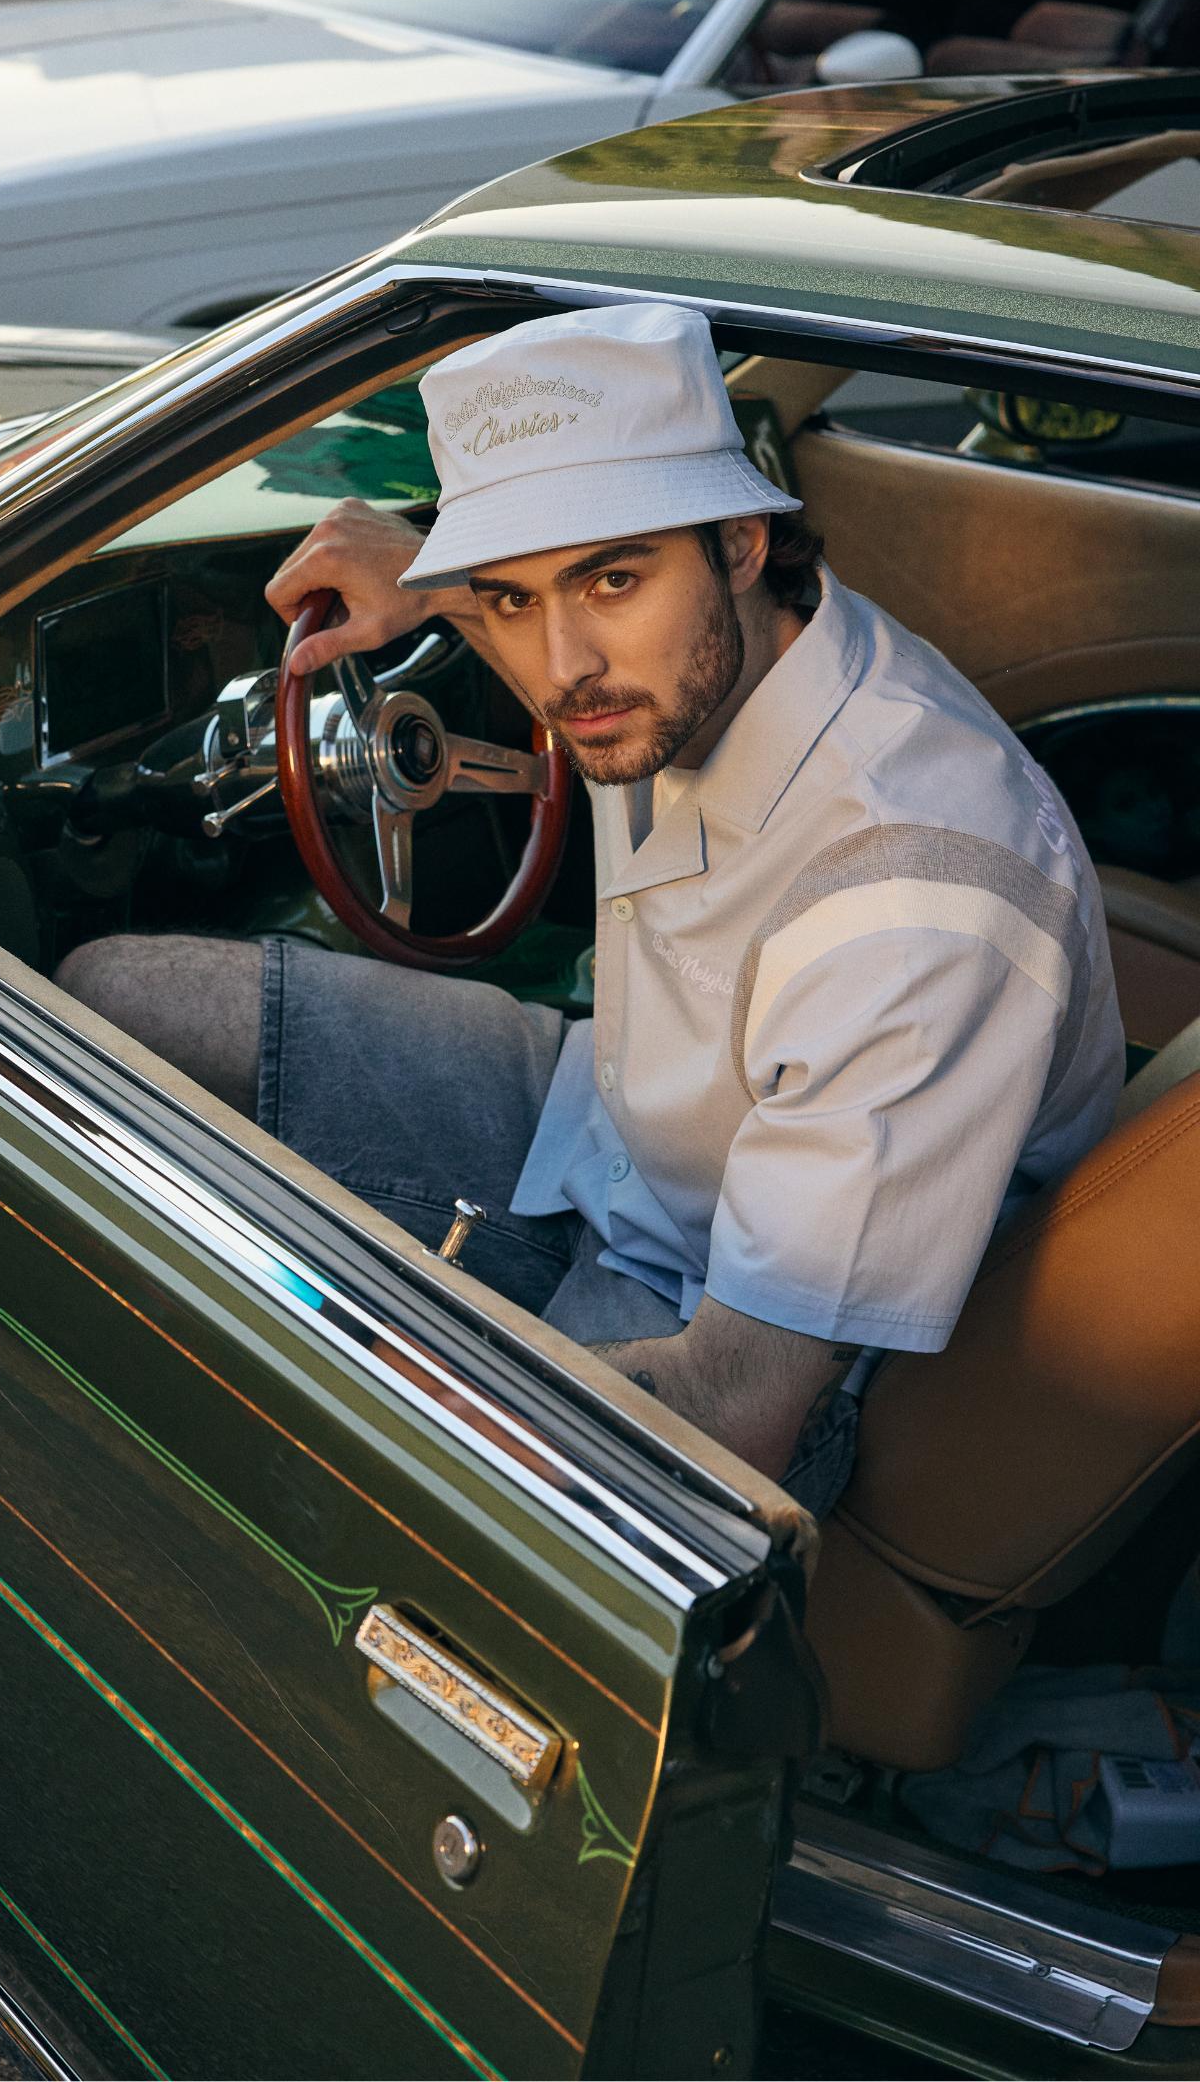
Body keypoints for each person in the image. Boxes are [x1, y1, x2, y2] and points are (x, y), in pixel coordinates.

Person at [57, 305, 1123, 1515]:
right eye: (509, 599)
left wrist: (355, 1391)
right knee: (112, 995)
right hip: (609, 1116)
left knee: (278, 1468)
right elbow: (553, 599)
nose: (562, 670)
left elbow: (737, 1403)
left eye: (611, 578)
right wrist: (429, 583)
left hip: (745, 1337)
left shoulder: (914, 901)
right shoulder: (714, 649)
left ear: (738, 543)